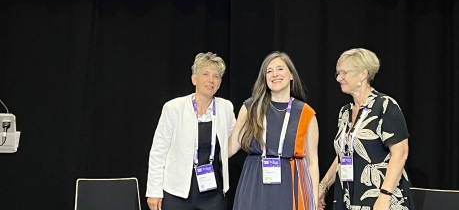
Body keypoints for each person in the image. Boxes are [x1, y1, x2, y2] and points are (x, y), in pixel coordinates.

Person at [318, 48, 413, 210]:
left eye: (343, 73)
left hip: (379, 197)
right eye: (337, 74)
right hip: (348, 196)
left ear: (363, 74)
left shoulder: (384, 106)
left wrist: (384, 196)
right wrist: (323, 186)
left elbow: (401, 152)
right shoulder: (345, 112)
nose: (339, 78)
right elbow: (343, 154)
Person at [229, 51, 319, 210]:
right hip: (254, 184)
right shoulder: (251, 108)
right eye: (269, 71)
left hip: (290, 186)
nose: (274, 74)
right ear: (264, 78)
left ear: (291, 75)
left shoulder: (306, 113)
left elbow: (312, 163)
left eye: (280, 69)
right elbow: (230, 147)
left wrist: (314, 202)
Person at [146, 52, 236, 210]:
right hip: (177, 193)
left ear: (220, 82)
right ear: (194, 78)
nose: (211, 80)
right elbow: (158, 152)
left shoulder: (225, 107)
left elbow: (235, 140)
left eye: (216, 76)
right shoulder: (173, 108)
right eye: (205, 74)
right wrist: (154, 191)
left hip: (213, 194)